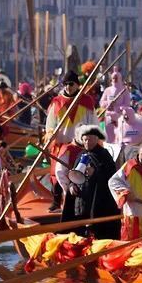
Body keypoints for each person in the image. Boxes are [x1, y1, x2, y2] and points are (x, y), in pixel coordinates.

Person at [44, 70, 97, 212]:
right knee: (57, 172)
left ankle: (80, 202)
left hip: (81, 145)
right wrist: (50, 134)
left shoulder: (86, 101)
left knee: (81, 173)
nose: (68, 87)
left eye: (71, 84)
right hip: (62, 144)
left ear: (77, 85)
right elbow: (50, 124)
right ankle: (57, 201)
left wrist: (92, 138)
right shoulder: (56, 102)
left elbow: (93, 122)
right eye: (65, 84)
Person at [62, 125, 121, 239]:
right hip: (81, 201)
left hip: (98, 203)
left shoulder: (104, 155)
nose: (87, 142)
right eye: (84, 140)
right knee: (80, 232)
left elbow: (111, 177)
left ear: (96, 139)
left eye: (89, 139)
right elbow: (74, 175)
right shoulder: (81, 155)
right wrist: (72, 186)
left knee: (98, 233)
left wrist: (97, 172)